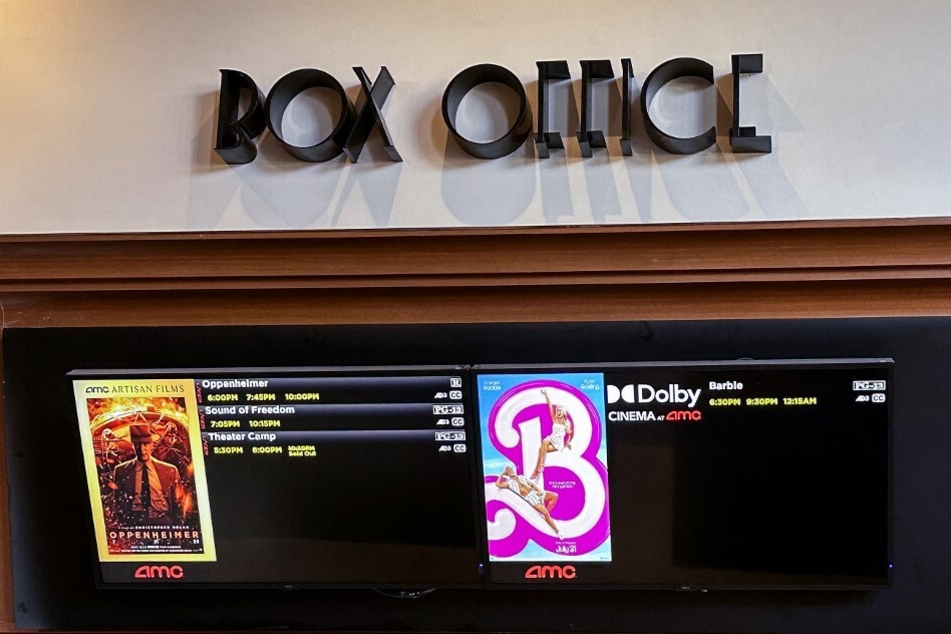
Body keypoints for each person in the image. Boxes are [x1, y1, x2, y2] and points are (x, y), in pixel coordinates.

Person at [112, 423, 184, 526]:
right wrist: (123, 523)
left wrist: (178, 525)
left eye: (145, 444)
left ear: (152, 444)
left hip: (163, 521)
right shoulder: (121, 470)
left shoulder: (170, 470)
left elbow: (179, 501)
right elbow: (118, 501)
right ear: (132, 446)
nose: (142, 449)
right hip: (134, 522)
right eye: (137, 444)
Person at [495, 465, 562, 538]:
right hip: (530, 497)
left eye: (511, 470)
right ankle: (557, 531)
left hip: (535, 492)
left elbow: (532, 485)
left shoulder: (521, 477)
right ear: (507, 474)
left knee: (554, 496)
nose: (511, 472)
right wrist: (502, 474)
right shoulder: (509, 483)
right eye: (509, 471)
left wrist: (539, 491)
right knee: (545, 513)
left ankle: (546, 516)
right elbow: (498, 484)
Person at [530, 389, 573, 480]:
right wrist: (546, 394)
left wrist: (568, 443)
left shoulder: (566, 423)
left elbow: (570, 434)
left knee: (541, 450)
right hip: (551, 438)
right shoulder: (554, 419)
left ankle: (536, 470)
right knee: (544, 443)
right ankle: (541, 465)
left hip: (558, 443)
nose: (558, 412)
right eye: (558, 410)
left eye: (560, 410)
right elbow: (550, 406)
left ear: (563, 412)